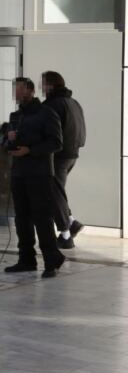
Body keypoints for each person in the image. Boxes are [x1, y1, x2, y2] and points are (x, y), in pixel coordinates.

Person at [3, 77, 65, 278]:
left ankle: (51, 260)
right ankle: (26, 260)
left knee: (42, 217)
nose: (16, 93)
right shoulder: (15, 116)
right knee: (22, 218)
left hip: (39, 174)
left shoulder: (46, 113)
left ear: (30, 90)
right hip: (19, 173)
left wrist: (30, 150)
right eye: (14, 89)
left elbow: (56, 142)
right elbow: (6, 143)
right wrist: (8, 141)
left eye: (20, 89)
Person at [41, 70, 86, 249]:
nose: (41, 88)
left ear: (50, 85)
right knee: (57, 191)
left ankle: (65, 235)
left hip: (57, 156)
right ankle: (72, 222)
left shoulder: (52, 105)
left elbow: (46, 131)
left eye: (43, 84)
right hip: (72, 154)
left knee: (53, 193)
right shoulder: (73, 102)